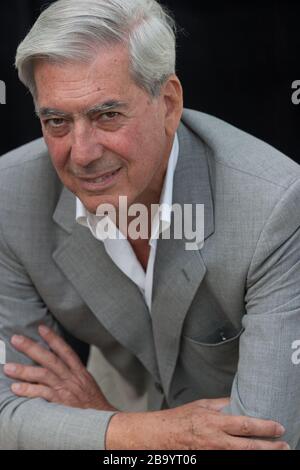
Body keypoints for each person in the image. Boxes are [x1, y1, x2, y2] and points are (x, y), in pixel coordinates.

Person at [0, 0, 299, 450]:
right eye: (57, 121)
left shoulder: (275, 206)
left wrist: (96, 426)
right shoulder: (11, 196)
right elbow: (7, 413)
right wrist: (137, 431)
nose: (81, 153)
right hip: (126, 399)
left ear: (169, 104)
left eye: (107, 115)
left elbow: (267, 440)